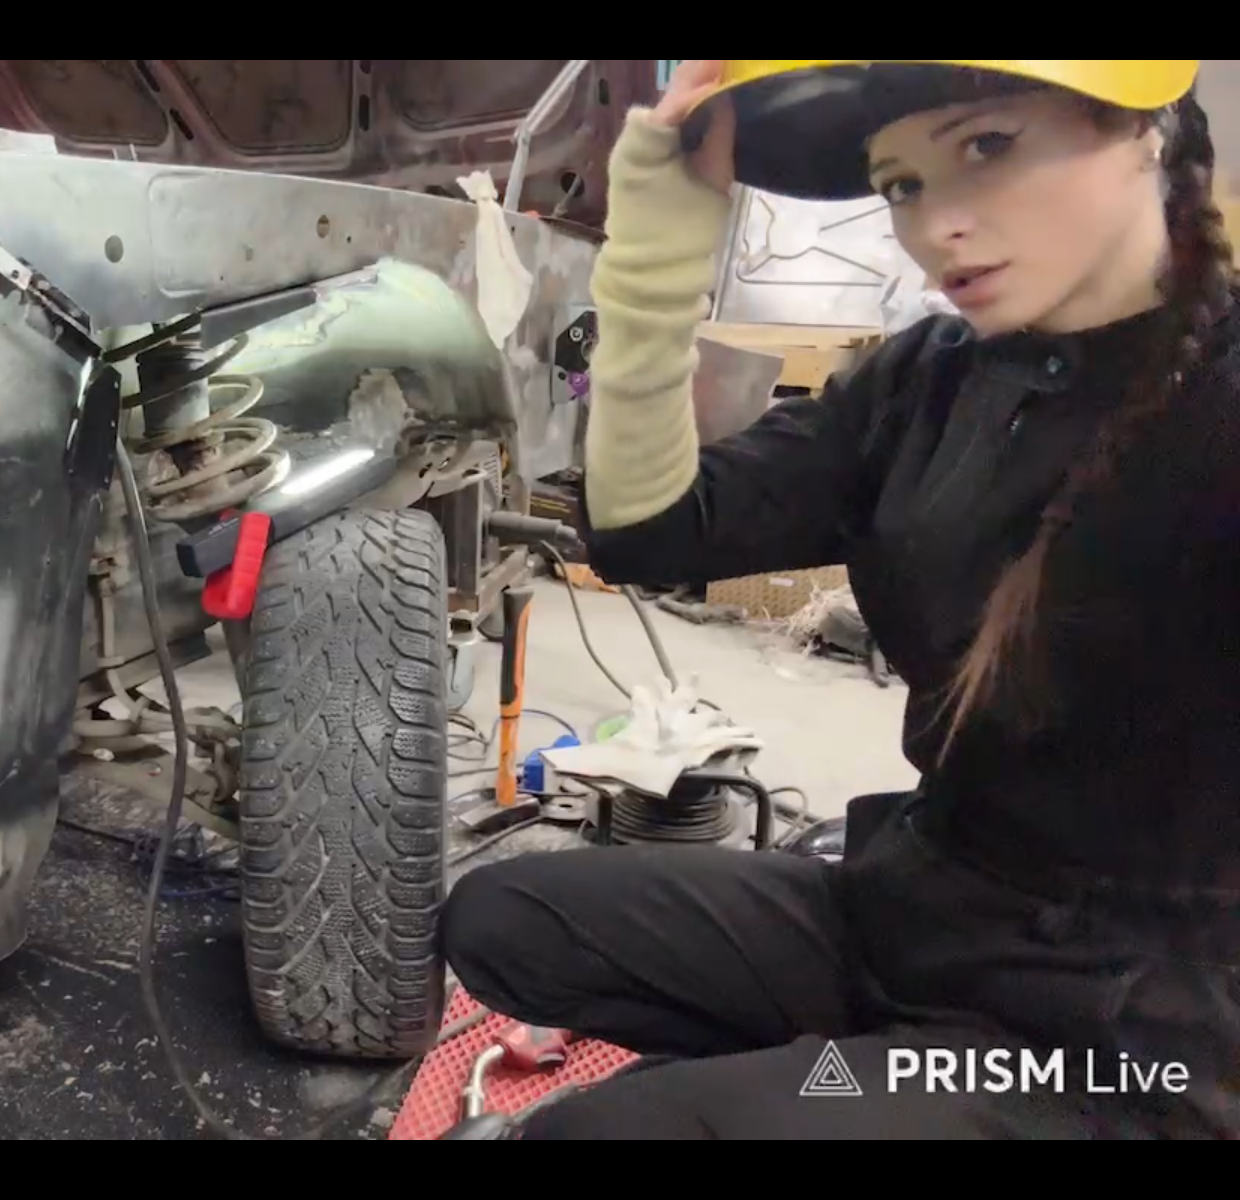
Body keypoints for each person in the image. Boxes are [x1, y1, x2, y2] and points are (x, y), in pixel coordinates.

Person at [439, 60, 1240, 1139]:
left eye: (987, 146)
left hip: (1118, 1035)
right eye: (901, 183)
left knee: (590, 1133)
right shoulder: (931, 378)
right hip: (915, 904)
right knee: (505, 918)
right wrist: (661, 250)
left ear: (1146, 129)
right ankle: (847, 1081)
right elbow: (650, 531)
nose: (936, 226)